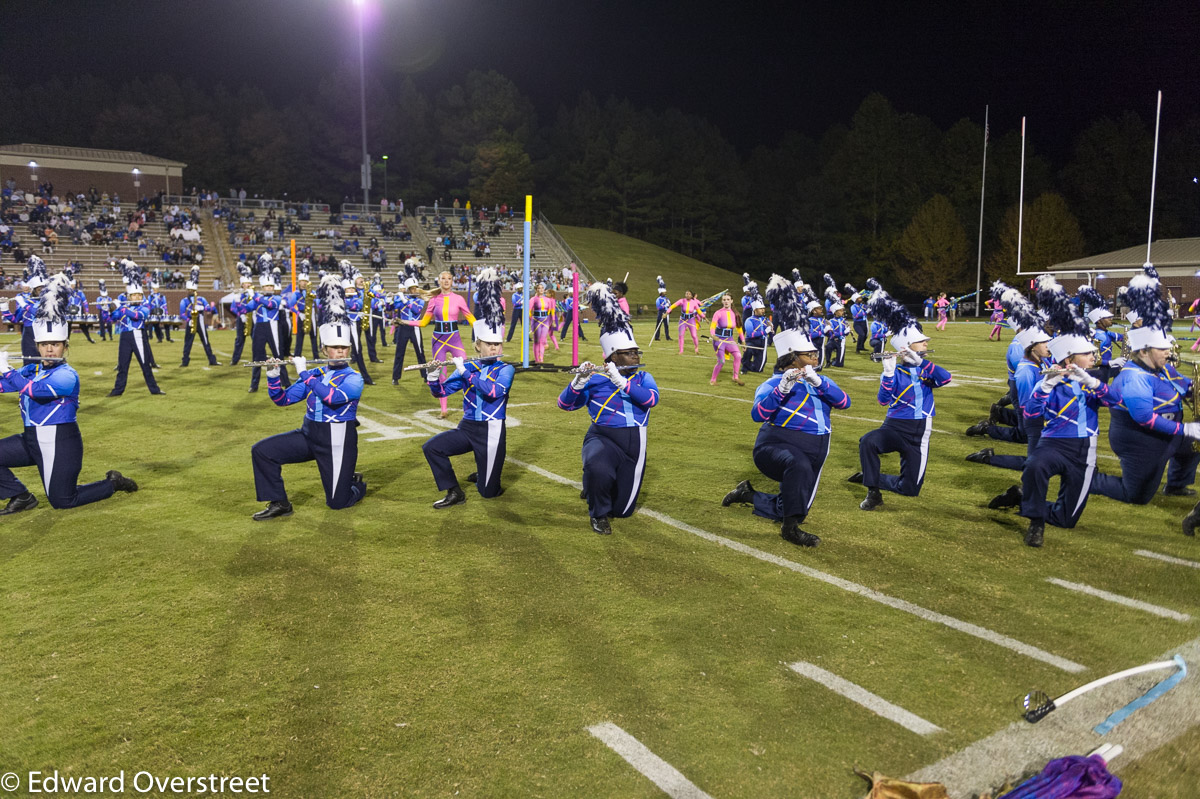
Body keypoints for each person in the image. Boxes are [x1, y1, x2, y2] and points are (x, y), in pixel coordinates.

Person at [722, 275, 850, 547]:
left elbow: (844, 403)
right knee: (798, 468)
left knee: (795, 504)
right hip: (775, 446)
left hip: (819, 446)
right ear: (791, 358)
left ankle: (748, 495)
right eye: (810, 355)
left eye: (816, 353)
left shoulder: (819, 380)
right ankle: (789, 530)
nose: (816, 358)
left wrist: (820, 382)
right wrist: (781, 389)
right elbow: (758, 415)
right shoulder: (771, 384)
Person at [992, 275, 1118, 547]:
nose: (1094, 357)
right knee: (1035, 466)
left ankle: (1023, 499)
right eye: (1088, 354)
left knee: (1066, 519)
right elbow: (1031, 413)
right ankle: (1035, 521)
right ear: (1070, 359)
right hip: (1054, 443)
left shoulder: (1092, 381)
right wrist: (1046, 386)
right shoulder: (1045, 379)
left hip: (1085, 447)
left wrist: (1094, 383)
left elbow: (1116, 402)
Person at [0, 273, 138, 515]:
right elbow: (4, 386)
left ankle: (112, 483)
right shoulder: (30, 369)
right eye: (45, 344)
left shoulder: (67, 375)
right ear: (38, 346)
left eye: (55, 344)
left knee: (63, 500)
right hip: (33, 439)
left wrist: (7, 370)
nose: (50, 349)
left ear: (65, 346)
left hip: (60, 442)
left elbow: (35, 391)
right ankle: (20, 496)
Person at [250, 274, 367, 520]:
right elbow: (283, 400)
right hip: (309, 433)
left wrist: (303, 373)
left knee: (338, 503)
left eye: (344, 348)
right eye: (335, 348)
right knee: (262, 451)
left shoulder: (354, 377)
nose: (340, 352)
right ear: (324, 350)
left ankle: (355, 484)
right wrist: (273, 376)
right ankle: (279, 503)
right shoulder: (315, 372)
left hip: (338, 440)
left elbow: (333, 398)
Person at [1087, 265, 1200, 507]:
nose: (1169, 352)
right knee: (1136, 495)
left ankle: (1176, 484)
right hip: (1140, 438)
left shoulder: (1162, 367)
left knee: (1193, 446)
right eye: (1163, 349)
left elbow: (1182, 383)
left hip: (1167, 430)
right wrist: (1186, 430)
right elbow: (1145, 419)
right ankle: (1087, 479)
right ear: (1145, 351)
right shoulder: (1135, 377)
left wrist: (1193, 389)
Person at [558, 282, 659, 535]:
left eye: (636, 352)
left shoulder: (643, 378)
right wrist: (578, 382)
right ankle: (597, 512)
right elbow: (565, 405)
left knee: (623, 511)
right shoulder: (595, 379)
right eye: (628, 353)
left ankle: (595, 487)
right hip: (602, 436)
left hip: (635, 441)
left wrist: (622, 382)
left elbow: (651, 401)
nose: (635, 356)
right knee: (596, 467)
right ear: (612, 357)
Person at [850, 278, 951, 511]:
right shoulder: (894, 370)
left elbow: (945, 378)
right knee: (868, 442)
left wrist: (920, 363)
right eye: (921, 342)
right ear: (906, 346)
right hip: (894, 426)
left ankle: (870, 476)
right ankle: (873, 491)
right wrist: (887, 373)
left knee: (910, 489)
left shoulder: (927, 368)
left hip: (919, 432)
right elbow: (883, 401)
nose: (926, 343)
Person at [420, 268, 514, 508]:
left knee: (488, 494)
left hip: (492, 431)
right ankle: (454, 491)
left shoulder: (506, 369)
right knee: (432, 447)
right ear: (477, 346)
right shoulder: (469, 365)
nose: (494, 349)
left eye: (497, 344)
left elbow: (493, 392)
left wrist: (465, 372)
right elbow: (441, 392)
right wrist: (433, 377)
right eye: (489, 344)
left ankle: (486, 477)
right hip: (468, 427)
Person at [966, 283, 1051, 474]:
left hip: (1031, 397)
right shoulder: (1019, 352)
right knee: (1026, 436)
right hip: (1021, 392)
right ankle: (989, 432)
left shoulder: (1035, 351)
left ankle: (1001, 415)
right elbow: (1027, 400)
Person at [404, 270, 475, 418]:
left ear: (452, 281)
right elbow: (423, 323)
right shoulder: (434, 300)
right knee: (441, 375)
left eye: (449, 278)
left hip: (455, 340)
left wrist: (482, 334)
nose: (446, 281)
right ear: (439, 281)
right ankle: (444, 410)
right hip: (438, 341)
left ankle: (469, 406)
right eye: (443, 278)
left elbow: (471, 319)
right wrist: (403, 321)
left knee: (467, 370)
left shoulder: (459, 299)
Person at [107, 265, 165, 397]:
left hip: (138, 335)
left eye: (139, 295)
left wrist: (121, 307)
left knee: (145, 365)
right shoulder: (125, 306)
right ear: (129, 296)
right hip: (125, 337)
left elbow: (136, 316)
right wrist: (110, 308)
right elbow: (113, 318)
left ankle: (154, 389)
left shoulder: (145, 307)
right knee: (122, 365)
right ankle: (117, 390)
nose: (137, 297)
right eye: (134, 295)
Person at [246, 255, 291, 393]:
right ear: (262, 286)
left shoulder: (277, 297)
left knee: (278, 354)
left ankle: (286, 382)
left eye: (271, 285)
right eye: (266, 286)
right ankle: (254, 384)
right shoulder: (257, 298)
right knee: (257, 356)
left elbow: (270, 304)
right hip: (259, 327)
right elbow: (246, 308)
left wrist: (255, 296)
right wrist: (243, 298)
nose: (269, 288)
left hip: (273, 326)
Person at [391, 266, 428, 384]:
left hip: (415, 327)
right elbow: (393, 308)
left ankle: (425, 375)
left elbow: (416, 310)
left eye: (416, 288)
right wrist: (389, 301)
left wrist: (404, 300)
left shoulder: (420, 300)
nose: (415, 291)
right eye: (412, 289)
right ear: (407, 289)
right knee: (399, 352)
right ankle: (395, 377)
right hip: (403, 327)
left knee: (420, 352)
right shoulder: (402, 298)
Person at [179, 267, 219, 367]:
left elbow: (208, 308)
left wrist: (203, 307)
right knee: (188, 342)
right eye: (189, 289)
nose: (190, 291)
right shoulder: (184, 301)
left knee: (205, 341)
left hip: (200, 320)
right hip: (190, 321)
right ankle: (185, 361)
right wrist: (188, 320)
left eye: (192, 289)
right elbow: (181, 314)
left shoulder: (201, 299)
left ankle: (212, 360)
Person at [709, 293, 745, 386]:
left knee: (738, 356)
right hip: (719, 340)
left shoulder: (735, 314)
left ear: (731, 301)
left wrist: (743, 341)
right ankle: (713, 380)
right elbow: (712, 327)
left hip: (729, 339)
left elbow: (739, 329)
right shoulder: (718, 313)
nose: (726, 301)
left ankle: (735, 377)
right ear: (722, 301)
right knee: (721, 361)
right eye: (724, 300)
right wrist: (713, 335)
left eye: (728, 299)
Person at [229, 267, 256, 366]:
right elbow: (233, 307)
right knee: (240, 340)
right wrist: (241, 315)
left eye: (249, 283)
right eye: (246, 283)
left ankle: (257, 358)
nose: (248, 285)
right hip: (242, 319)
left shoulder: (253, 294)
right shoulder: (239, 295)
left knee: (256, 339)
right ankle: (235, 359)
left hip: (252, 319)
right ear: (242, 284)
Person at [742, 282, 771, 374]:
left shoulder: (765, 319)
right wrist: (765, 332)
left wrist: (771, 329)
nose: (763, 310)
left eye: (763, 308)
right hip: (752, 341)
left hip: (762, 343)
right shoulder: (749, 320)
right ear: (755, 310)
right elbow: (752, 334)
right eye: (760, 309)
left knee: (759, 369)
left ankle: (748, 364)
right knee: (749, 350)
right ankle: (744, 366)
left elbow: (769, 330)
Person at [528, 283, 558, 363]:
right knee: (536, 341)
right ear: (536, 289)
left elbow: (551, 311)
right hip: (536, 321)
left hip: (545, 321)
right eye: (539, 288)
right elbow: (529, 311)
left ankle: (541, 359)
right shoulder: (533, 299)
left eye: (542, 288)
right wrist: (532, 319)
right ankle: (536, 359)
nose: (541, 289)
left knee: (542, 341)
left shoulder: (548, 300)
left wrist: (553, 321)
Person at [669, 290, 702, 354]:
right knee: (681, 335)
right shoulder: (682, 301)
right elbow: (673, 306)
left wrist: (704, 317)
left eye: (689, 294)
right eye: (686, 294)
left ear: (691, 295)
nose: (687, 295)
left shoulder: (694, 302)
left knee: (694, 335)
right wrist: (667, 312)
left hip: (691, 320)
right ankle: (681, 350)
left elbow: (699, 311)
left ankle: (696, 348)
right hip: (682, 321)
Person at [653, 276, 672, 341]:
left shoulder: (667, 298)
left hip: (666, 312)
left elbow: (670, 305)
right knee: (658, 325)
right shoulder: (658, 299)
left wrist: (669, 308)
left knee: (666, 325)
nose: (665, 292)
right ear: (661, 292)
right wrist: (664, 306)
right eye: (664, 292)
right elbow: (658, 307)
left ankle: (667, 337)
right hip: (661, 312)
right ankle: (657, 337)